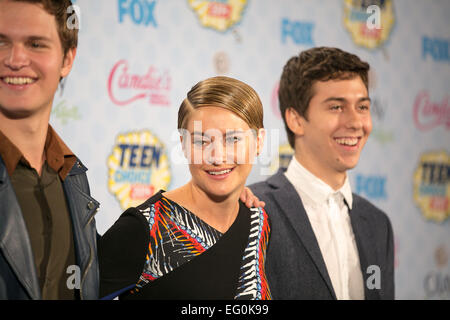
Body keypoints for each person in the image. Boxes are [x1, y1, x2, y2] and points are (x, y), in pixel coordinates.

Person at [98, 76, 271, 300]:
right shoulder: (144, 228)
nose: (217, 157)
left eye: (233, 139)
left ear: (258, 142)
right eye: (201, 141)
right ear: (183, 145)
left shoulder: (259, 222)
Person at [250, 47, 394, 300]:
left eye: (362, 107)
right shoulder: (254, 210)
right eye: (337, 107)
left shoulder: (378, 224)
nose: (355, 122)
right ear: (295, 120)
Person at [0, 0, 99, 299]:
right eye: (1, 42)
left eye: (35, 44)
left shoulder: (72, 175)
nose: (16, 59)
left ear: (67, 59)